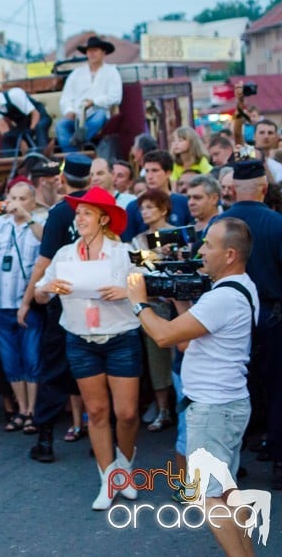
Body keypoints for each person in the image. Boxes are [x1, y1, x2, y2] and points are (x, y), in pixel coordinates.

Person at [126, 217, 258, 556]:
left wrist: (139, 301)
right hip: (226, 405)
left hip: (213, 409)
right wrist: (180, 302)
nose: (201, 251)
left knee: (208, 496)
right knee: (227, 493)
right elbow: (186, 344)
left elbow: (163, 335)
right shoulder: (241, 286)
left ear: (230, 254)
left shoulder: (222, 298)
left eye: (208, 245)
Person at [35, 187, 142, 510]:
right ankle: (108, 479)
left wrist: (125, 291)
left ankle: (124, 466)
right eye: (77, 212)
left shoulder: (124, 251)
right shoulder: (65, 254)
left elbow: (145, 284)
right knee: (96, 412)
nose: (79, 217)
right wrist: (48, 288)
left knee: (127, 413)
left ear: (103, 218)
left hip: (121, 336)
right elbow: (40, 294)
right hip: (80, 339)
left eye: (86, 212)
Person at [19, 153, 91, 462]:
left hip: (64, 302)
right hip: (99, 300)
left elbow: (44, 262)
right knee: (95, 369)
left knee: (53, 369)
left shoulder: (62, 214)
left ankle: (46, 439)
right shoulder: (103, 208)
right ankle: (104, 437)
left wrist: (26, 300)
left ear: (63, 178)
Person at [217, 161, 282, 489]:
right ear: (264, 188)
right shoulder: (276, 224)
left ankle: (231, 460)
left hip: (226, 313)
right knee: (277, 389)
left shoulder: (219, 225)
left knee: (230, 388)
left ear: (233, 189)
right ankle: (279, 460)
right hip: (270, 315)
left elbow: (207, 271)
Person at [0, 182, 43, 434]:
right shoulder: (0, 225)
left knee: (32, 359)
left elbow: (46, 244)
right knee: (11, 362)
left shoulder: (38, 222)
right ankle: (22, 409)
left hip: (28, 304)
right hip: (1, 305)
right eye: (12, 197)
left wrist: (25, 217)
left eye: (22, 198)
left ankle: (33, 411)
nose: (16, 202)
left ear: (32, 202)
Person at [130, 189, 176, 432]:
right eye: (142, 208)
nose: (145, 212)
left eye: (150, 207)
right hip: (150, 303)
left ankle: (178, 406)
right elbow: (136, 270)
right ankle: (163, 409)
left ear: (163, 208)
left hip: (177, 304)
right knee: (155, 359)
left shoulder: (176, 234)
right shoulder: (138, 239)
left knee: (177, 358)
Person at [56, 36, 123, 151]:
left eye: (95, 51)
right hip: (77, 116)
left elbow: (116, 97)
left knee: (100, 115)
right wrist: (69, 110)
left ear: (103, 53)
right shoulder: (76, 73)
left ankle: (78, 141)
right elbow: (66, 97)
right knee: (61, 125)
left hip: (97, 114)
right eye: (89, 51)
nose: (92, 54)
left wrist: (94, 102)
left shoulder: (111, 72)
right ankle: (73, 154)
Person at [121, 150, 192, 242]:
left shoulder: (184, 202)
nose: (150, 176)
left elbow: (191, 238)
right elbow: (128, 243)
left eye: (155, 170)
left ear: (168, 173)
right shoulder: (133, 206)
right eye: (146, 171)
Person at [0, 87, 52, 153]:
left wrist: (31, 131)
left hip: (40, 118)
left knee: (39, 128)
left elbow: (35, 114)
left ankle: (43, 155)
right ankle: (9, 163)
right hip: (23, 125)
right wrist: (10, 136)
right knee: (7, 138)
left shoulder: (14, 95)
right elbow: (2, 125)